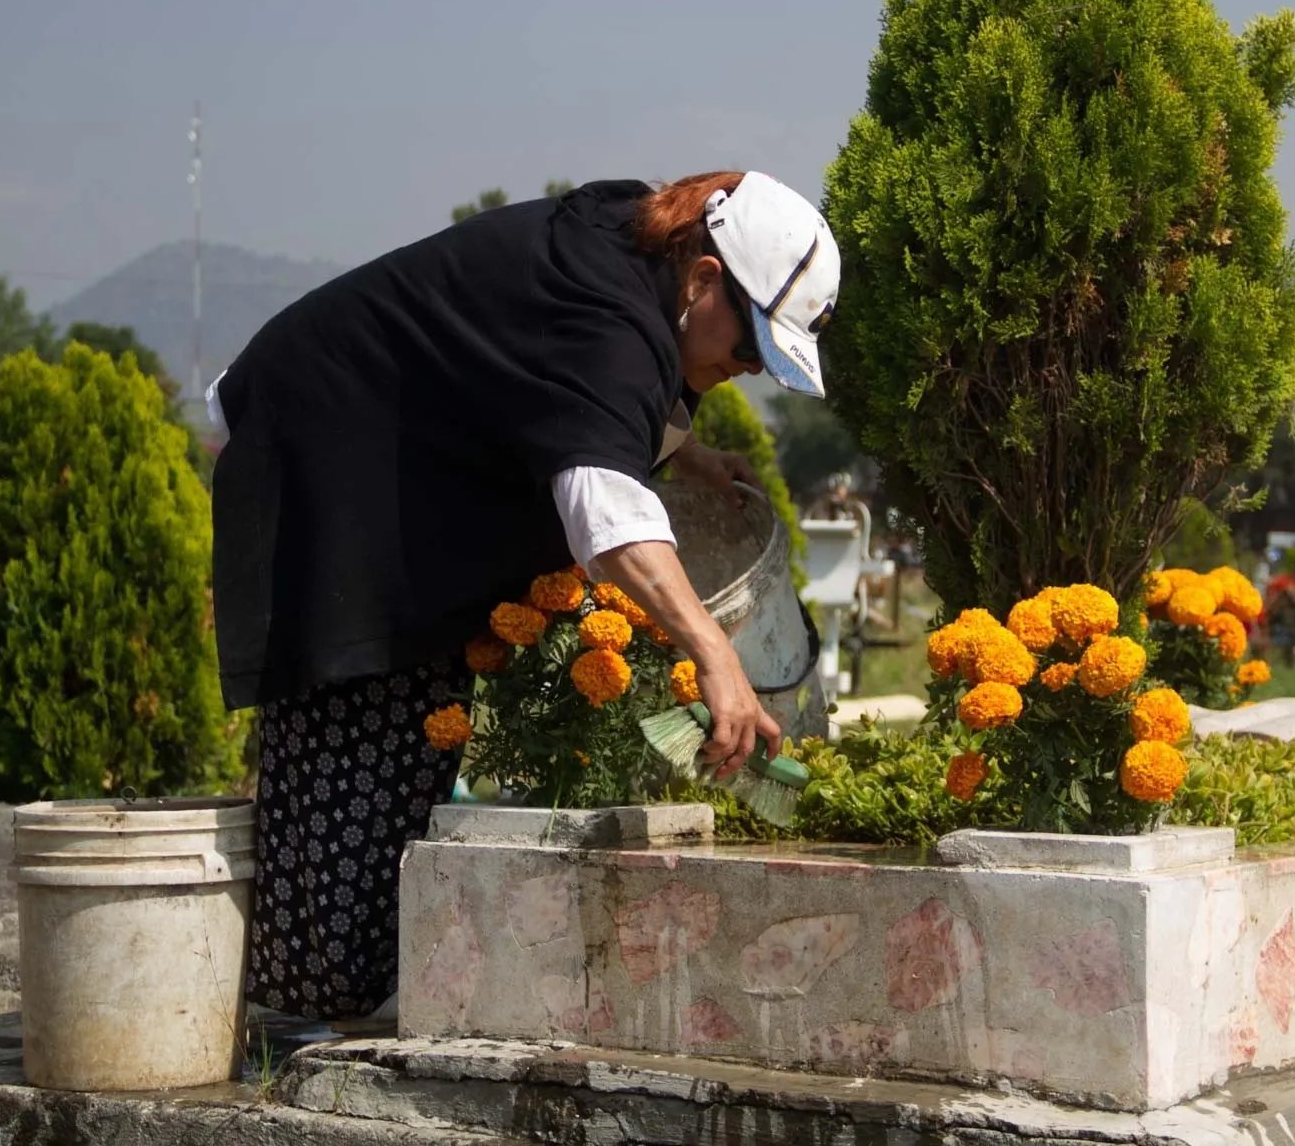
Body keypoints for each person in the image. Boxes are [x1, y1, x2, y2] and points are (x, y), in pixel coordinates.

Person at [206, 170, 839, 1023]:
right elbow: (601, 506)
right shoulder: (612, 314)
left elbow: (576, 386)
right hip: (332, 463)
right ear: (705, 279)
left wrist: (686, 453)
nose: (750, 369)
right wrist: (715, 653)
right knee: (360, 733)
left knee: (404, 750)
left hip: (381, 471)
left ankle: (320, 987)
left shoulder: (639, 248)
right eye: (753, 345)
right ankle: (306, 1012)